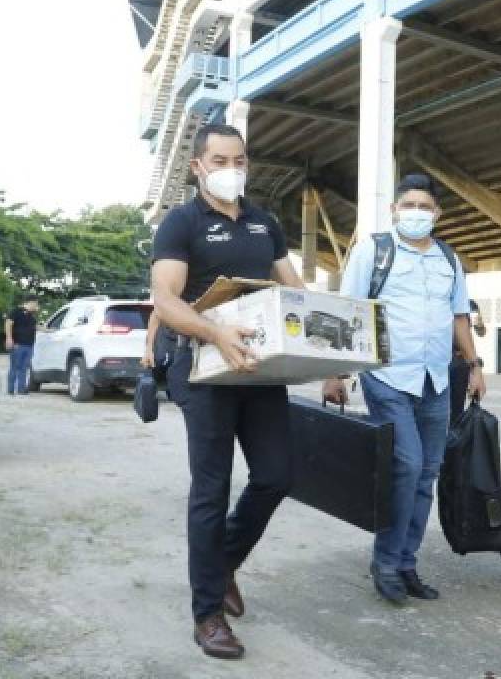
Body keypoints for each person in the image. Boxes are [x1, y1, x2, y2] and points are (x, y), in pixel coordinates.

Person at [150, 123, 305, 661]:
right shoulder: (181, 222)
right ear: (197, 166)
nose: (230, 168)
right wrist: (215, 331)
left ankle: (223, 563)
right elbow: (166, 300)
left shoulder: (265, 223)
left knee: (277, 476)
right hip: (203, 367)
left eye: (238, 159)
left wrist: (331, 355)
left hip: (258, 369)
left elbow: (295, 292)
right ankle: (208, 613)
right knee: (211, 489)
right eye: (219, 160)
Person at [323, 173, 486, 604]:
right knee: (407, 466)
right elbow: (347, 311)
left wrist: (474, 365)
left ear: (437, 214)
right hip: (388, 375)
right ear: (394, 210)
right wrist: (335, 372)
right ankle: (387, 562)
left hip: (435, 379)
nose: (415, 212)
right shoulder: (373, 252)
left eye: (424, 207)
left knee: (428, 472)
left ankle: (408, 563)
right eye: (407, 205)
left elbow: (459, 317)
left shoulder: (448, 259)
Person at [449, 299, 487, 420]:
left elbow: (481, 332)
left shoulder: (471, 304)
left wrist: (480, 325)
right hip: (442, 359)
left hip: (461, 361)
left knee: (457, 407)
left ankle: (454, 434)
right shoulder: (444, 301)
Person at [3, 296, 39, 395]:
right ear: (29, 302)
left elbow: (35, 327)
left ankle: (21, 389)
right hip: (17, 344)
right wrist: (9, 338)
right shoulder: (16, 311)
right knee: (14, 367)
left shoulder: (31, 316)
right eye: (35, 303)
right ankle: (10, 390)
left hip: (29, 346)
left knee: (24, 368)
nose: (36, 306)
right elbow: (8, 323)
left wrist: (50, 330)